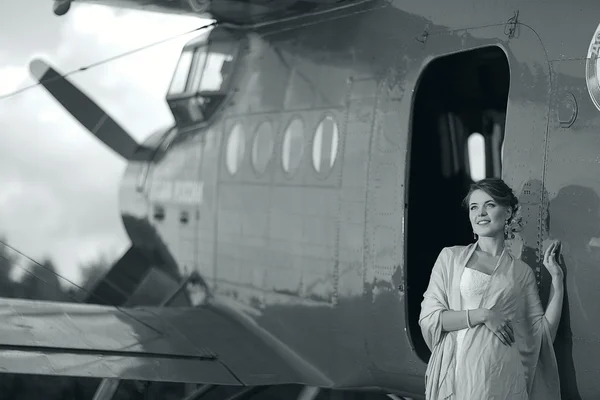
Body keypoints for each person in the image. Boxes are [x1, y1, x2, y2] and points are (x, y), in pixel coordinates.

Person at [419, 178, 564, 400]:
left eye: (490, 205)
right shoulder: (451, 258)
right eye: (474, 207)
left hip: (502, 377)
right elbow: (430, 319)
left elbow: (541, 334)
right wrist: (483, 315)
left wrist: (557, 279)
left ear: (507, 213)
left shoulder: (521, 272)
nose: (480, 213)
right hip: (460, 374)